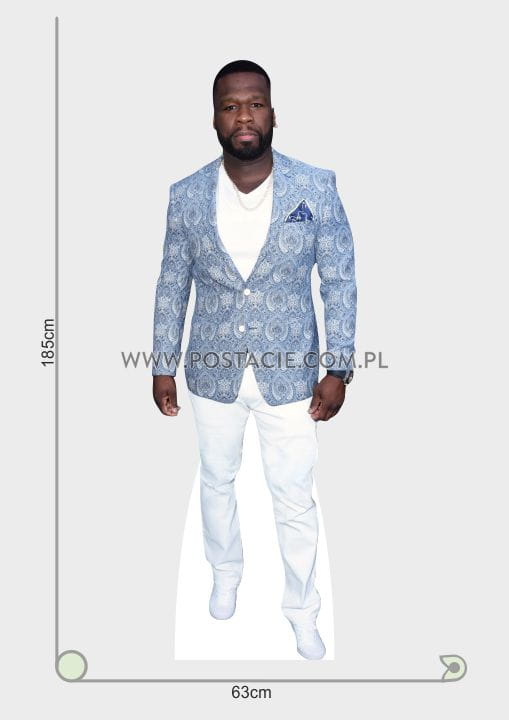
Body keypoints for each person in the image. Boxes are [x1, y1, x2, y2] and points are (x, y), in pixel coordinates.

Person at [152, 59, 357, 660]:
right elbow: (172, 284)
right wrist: (162, 363)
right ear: (215, 119)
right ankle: (225, 573)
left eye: (255, 103)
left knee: (293, 497)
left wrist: (338, 367)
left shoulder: (315, 186)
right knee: (216, 481)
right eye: (230, 105)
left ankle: (303, 611)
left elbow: (339, 279)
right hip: (210, 372)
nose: (244, 115)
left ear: (273, 113)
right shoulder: (186, 195)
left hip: (292, 375)